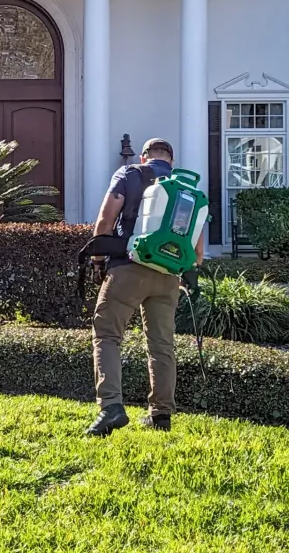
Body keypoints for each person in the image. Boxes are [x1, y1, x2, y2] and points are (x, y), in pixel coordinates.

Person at [85, 138, 205, 437]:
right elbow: (198, 250)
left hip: (128, 268)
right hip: (168, 275)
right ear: (171, 160)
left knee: (108, 335)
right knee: (161, 344)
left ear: (143, 157)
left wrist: (98, 260)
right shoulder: (187, 191)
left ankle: (111, 407)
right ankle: (161, 414)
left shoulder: (129, 175)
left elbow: (105, 219)